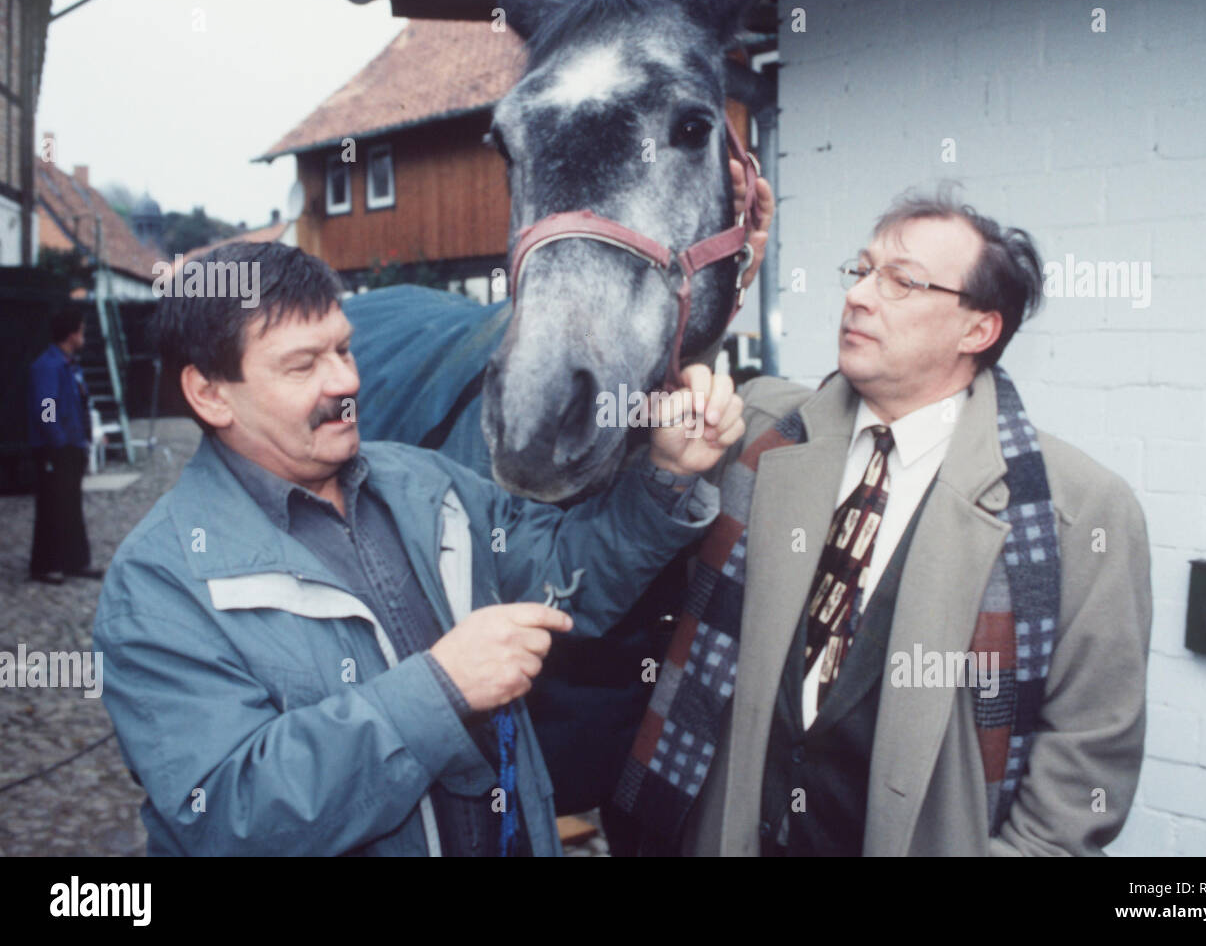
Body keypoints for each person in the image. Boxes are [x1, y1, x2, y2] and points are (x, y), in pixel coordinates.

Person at [92, 241, 744, 856]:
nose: (344, 381)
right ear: (209, 393)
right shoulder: (159, 584)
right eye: (302, 365)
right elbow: (228, 814)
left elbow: (566, 572)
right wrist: (441, 690)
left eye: (343, 350)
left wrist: (667, 474)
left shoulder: (422, 482)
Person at [615, 188, 1153, 856]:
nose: (860, 295)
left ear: (977, 329)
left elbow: (1087, 757)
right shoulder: (760, 429)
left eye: (901, 281)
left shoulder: (1081, 510)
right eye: (862, 270)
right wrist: (668, 466)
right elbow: (622, 539)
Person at [28, 305, 102, 585]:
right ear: (71, 334)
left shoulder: (71, 366)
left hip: (72, 446)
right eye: (82, 331)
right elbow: (46, 406)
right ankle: (45, 565)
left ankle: (75, 561)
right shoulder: (48, 366)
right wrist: (56, 441)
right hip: (56, 448)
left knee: (71, 506)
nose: (84, 336)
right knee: (51, 506)